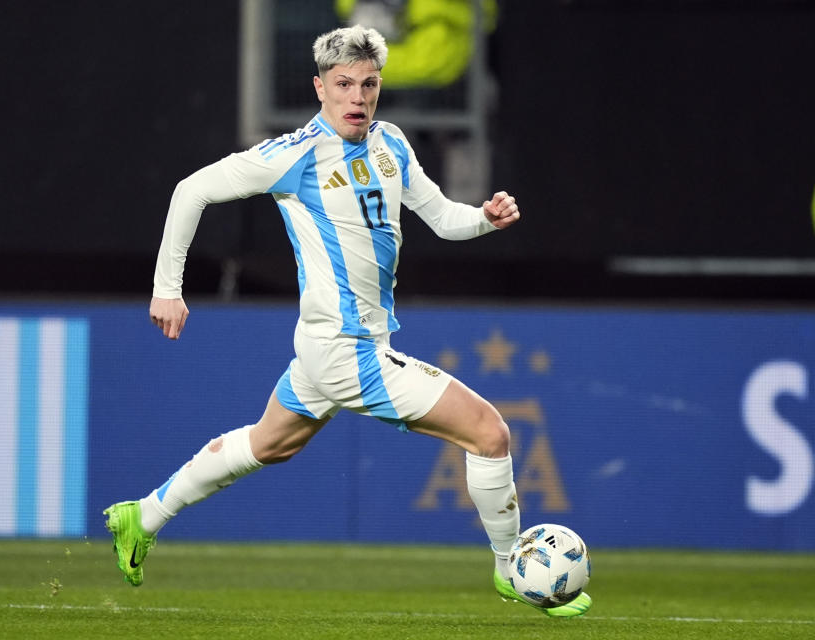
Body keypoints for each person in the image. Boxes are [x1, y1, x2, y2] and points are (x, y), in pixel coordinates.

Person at [103, 24, 591, 618]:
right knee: (489, 432)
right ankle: (511, 569)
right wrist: (166, 289)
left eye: (368, 84)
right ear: (319, 88)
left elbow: (442, 218)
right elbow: (190, 190)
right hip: (343, 348)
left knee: (268, 444)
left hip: (334, 347)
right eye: (343, 85)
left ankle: (143, 515)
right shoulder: (293, 156)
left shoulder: (391, 145)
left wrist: (485, 218)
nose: (357, 97)